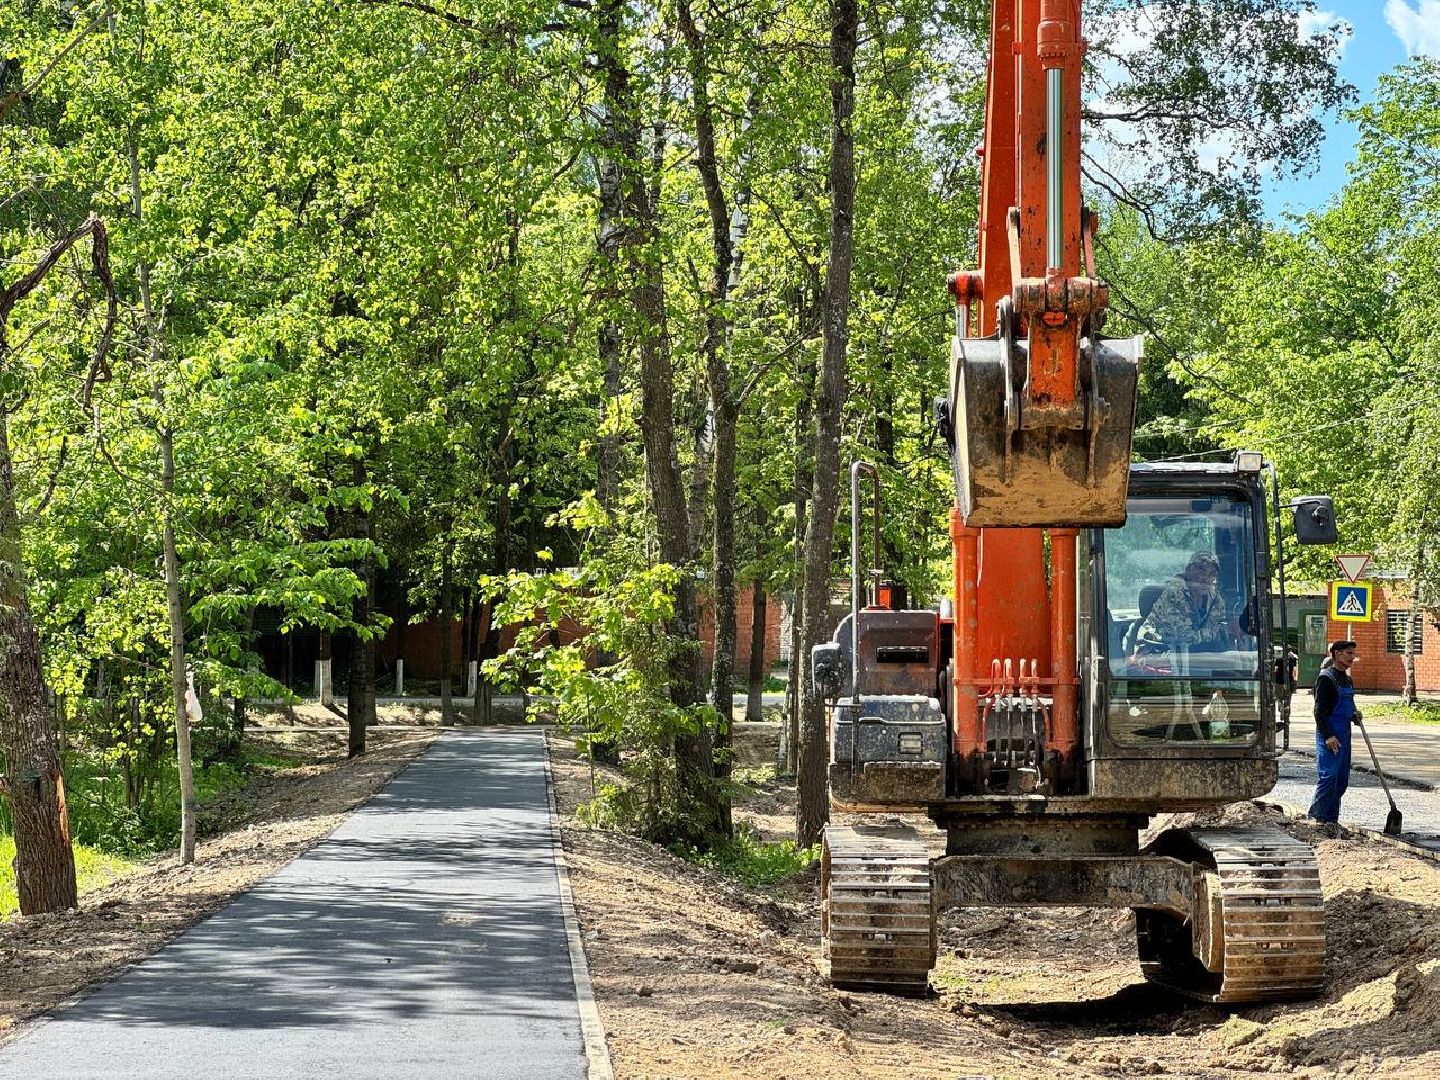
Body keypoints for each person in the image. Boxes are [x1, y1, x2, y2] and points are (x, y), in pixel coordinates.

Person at [1308, 639, 1360, 837]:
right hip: (1329, 735)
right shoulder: (1326, 679)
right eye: (1348, 653)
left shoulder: (1347, 680)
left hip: (1344, 734)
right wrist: (1328, 735)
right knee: (1329, 777)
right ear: (1337, 654)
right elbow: (1319, 712)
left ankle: (1332, 820)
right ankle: (1318, 818)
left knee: (1341, 780)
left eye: (1353, 654)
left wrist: (1354, 715)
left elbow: (1349, 704)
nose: (1352, 657)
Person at [1134, 551, 1232, 654]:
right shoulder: (1174, 593)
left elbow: (1221, 626)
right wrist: (1222, 631)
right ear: (1188, 571)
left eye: (1212, 574)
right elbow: (1182, 638)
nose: (1206, 579)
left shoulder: (1215, 597)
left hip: (1196, 655)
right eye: (1201, 572)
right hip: (1160, 652)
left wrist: (1232, 631)